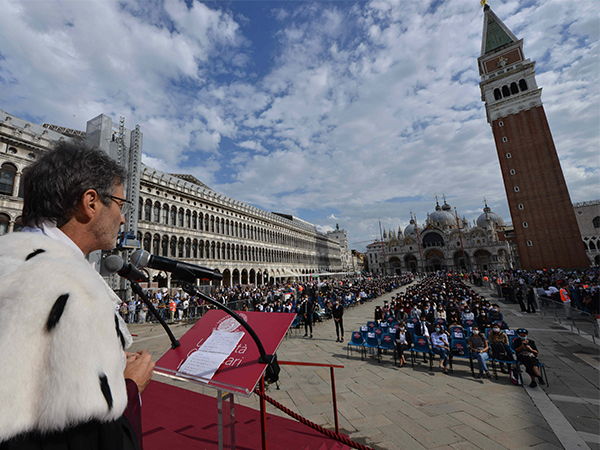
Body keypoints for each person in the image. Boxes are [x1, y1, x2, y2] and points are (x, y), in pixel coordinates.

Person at [0, 141, 154, 449]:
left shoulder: (12, 264)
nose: (123, 219)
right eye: (121, 205)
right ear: (91, 202)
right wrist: (130, 385)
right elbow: (96, 439)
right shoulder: (72, 293)